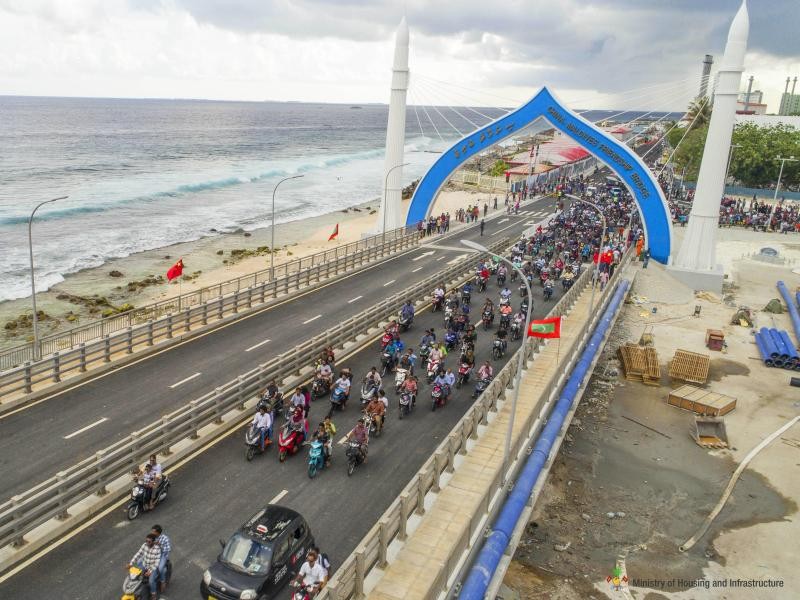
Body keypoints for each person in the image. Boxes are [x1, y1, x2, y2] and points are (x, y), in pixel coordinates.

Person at [129, 533, 162, 599]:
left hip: (152, 567)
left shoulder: (157, 549)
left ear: (153, 541)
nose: (147, 543)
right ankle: (133, 590)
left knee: (151, 581)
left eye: (149, 541)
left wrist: (150, 571)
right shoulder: (144, 545)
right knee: (135, 575)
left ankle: (153, 594)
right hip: (144, 564)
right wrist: (130, 563)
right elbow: (138, 554)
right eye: (146, 541)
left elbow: (157, 562)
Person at [151, 525, 171, 592]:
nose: (152, 533)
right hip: (154, 553)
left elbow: (168, 549)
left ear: (158, 532)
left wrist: (160, 545)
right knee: (141, 561)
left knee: (160, 568)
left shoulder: (165, 538)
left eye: (153, 532)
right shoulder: (152, 537)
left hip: (163, 555)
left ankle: (163, 582)